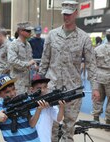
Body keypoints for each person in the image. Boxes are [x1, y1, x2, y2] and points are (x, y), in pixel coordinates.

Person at [39, 0, 100, 142]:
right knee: (52, 127)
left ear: (76, 13)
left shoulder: (84, 38)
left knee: (69, 128)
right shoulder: (52, 35)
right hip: (52, 88)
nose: (66, 17)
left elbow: (91, 65)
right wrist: (39, 85)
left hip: (73, 90)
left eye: (69, 14)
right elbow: (44, 61)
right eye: (64, 14)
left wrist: (95, 88)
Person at [0, 74, 49, 142]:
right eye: (7, 92)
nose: (12, 93)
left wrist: (39, 109)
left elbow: (32, 124)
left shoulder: (26, 101)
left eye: (13, 89)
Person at [30, 74, 65, 142]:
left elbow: (59, 119)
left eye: (45, 87)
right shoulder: (28, 105)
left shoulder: (50, 105)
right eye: (39, 88)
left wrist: (61, 107)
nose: (42, 90)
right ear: (32, 89)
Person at [8, 22, 38, 94]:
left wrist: (34, 65)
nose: (30, 33)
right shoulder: (14, 44)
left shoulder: (28, 45)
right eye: (28, 31)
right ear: (21, 31)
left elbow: (30, 59)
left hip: (27, 81)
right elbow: (12, 61)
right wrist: (27, 64)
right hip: (17, 82)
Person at [92, 29, 110, 124]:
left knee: (98, 98)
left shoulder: (97, 49)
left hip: (98, 76)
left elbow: (92, 64)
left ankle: (95, 118)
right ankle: (108, 120)